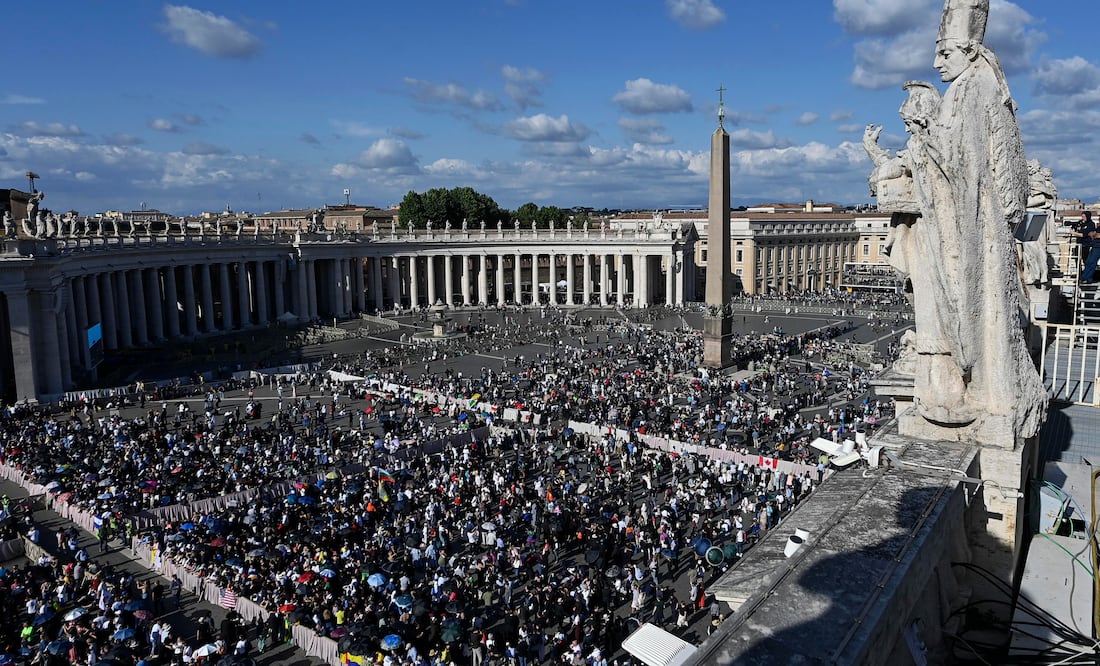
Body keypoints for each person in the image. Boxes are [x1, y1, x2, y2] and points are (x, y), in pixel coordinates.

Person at [881, 0, 1046, 438]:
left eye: (945, 53)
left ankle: (979, 394)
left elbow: (961, 166)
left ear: (970, 50)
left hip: (971, 230)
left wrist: (922, 144)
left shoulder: (973, 90)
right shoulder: (973, 87)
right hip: (974, 225)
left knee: (976, 314)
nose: (937, 62)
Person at [1075, 212, 1100, 282]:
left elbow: (1095, 235)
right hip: (1095, 245)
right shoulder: (1098, 227)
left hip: (1097, 246)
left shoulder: (1091, 224)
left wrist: (1095, 235)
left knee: (1091, 262)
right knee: (1089, 262)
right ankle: (1085, 277)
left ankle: (1086, 277)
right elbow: (1091, 234)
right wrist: (1094, 235)